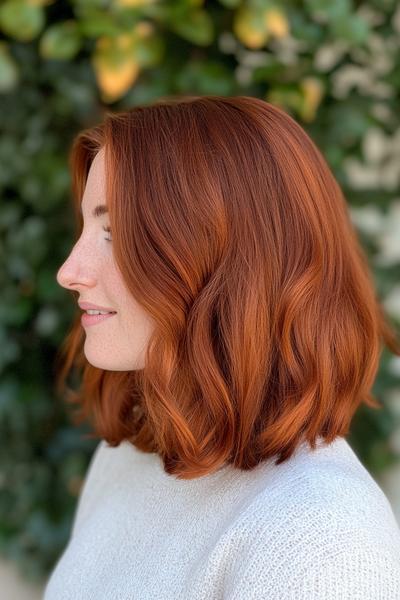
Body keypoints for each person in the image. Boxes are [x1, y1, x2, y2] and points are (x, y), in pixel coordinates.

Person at [44, 95, 400, 599]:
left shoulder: (323, 541)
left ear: (226, 262)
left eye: (115, 232)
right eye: (86, 228)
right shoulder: (129, 456)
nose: (69, 272)